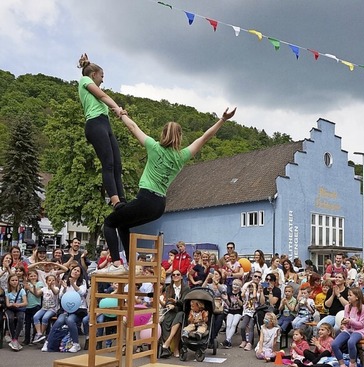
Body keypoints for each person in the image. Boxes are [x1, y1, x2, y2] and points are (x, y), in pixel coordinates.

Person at [96, 107, 236, 275]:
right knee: (123, 224)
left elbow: (133, 127)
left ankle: (117, 265)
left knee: (109, 223)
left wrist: (122, 114)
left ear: (162, 134)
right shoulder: (182, 156)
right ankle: (131, 266)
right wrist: (222, 119)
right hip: (159, 206)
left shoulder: (154, 147)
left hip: (145, 198)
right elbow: (205, 137)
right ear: (180, 137)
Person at [77, 53, 127, 209]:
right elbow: (103, 95)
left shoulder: (95, 94)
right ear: (93, 75)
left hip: (105, 124)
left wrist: (116, 110)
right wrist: (118, 109)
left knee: (118, 165)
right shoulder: (85, 80)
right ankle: (115, 201)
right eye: (102, 76)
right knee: (109, 163)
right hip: (95, 124)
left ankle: (123, 199)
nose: (103, 80)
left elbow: (103, 98)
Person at [42, 264, 88, 353]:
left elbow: (81, 293)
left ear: (80, 274)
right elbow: (60, 296)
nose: (76, 272)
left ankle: (76, 344)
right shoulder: (65, 282)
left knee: (70, 320)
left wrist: (73, 284)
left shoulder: (82, 282)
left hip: (78, 310)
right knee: (59, 321)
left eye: (78, 271)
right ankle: (48, 342)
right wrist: (64, 288)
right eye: (74, 270)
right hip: (66, 310)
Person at [332, 287, 364, 367]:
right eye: (348, 295)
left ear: (357, 297)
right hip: (348, 330)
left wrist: (350, 321)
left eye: (350, 295)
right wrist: (344, 323)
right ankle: (343, 366)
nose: (348, 297)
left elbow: (361, 325)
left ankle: (353, 365)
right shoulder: (347, 307)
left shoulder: (363, 308)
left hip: (359, 331)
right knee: (335, 344)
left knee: (351, 342)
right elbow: (346, 320)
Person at [32, 274, 60, 343]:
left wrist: (52, 287)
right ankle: (39, 333)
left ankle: (42, 332)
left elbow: (56, 293)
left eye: (53, 280)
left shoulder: (56, 288)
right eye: (49, 280)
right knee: (35, 317)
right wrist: (34, 287)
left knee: (45, 318)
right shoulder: (44, 289)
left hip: (52, 309)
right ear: (46, 281)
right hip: (44, 308)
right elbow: (37, 294)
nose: (51, 281)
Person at [5, 274, 27, 351]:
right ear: (9, 281)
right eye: (12, 280)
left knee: (21, 318)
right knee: (10, 319)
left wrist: (18, 304)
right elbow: (7, 304)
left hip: (19, 308)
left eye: (16, 280)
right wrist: (12, 304)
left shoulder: (22, 290)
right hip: (10, 308)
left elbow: (25, 302)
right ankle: (14, 339)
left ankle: (15, 339)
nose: (14, 282)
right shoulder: (7, 291)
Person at [22, 269, 44, 345]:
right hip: (27, 306)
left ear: (37, 276)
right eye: (31, 276)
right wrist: (25, 288)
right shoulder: (27, 283)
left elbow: (37, 294)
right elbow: (23, 294)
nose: (33, 277)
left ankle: (34, 338)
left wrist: (29, 288)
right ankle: (26, 339)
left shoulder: (39, 283)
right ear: (28, 277)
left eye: (34, 276)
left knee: (35, 323)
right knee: (27, 324)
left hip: (36, 305)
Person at [221, 279, 243, 349]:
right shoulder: (229, 293)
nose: (235, 286)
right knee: (228, 325)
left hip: (238, 312)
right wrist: (225, 299)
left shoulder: (241, 294)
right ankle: (228, 342)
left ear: (240, 287)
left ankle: (227, 340)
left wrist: (238, 299)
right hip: (231, 311)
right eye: (234, 284)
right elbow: (229, 304)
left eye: (237, 285)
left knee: (234, 324)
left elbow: (242, 304)